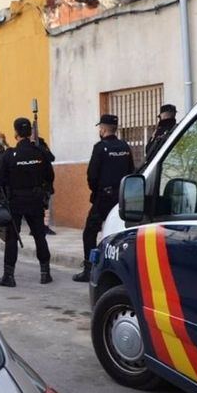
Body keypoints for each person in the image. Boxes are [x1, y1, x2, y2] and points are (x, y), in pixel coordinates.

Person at [73, 114, 135, 282]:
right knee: (120, 233)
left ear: (103, 129)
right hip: (121, 197)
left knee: (90, 232)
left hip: (104, 197)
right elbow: (132, 171)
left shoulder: (100, 148)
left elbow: (92, 175)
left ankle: (89, 269)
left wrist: (97, 190)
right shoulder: (125, 147)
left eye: (100, 128)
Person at [0, 117, 55, 287]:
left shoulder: (9, 155)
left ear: (15, 133)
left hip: (16, 201)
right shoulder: (40, 153)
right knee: (39, 236)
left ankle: (9, 276)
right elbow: (50, 177)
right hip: (35, 200)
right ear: (29, 133)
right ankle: (45, 273)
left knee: (12, 237)